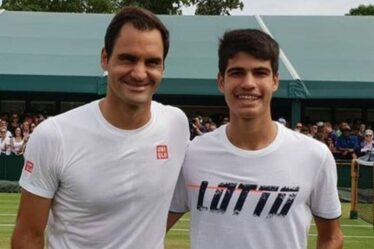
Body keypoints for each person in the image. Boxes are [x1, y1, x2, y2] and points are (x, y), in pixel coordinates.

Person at [12, 7, 189, 249]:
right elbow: (27, 237)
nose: (139, 73)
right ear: (105, 58)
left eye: (152, 62)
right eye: (128, 58)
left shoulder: (176, 124)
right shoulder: (54, 135)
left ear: (163, 68)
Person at [167, 29, 343, 249]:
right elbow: (149, 229)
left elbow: (332, 237)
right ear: (221, 81)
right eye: (237, 73)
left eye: (260, 72)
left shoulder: (314, 156)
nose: (248, 83)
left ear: (275, 81)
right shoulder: (192, 154)